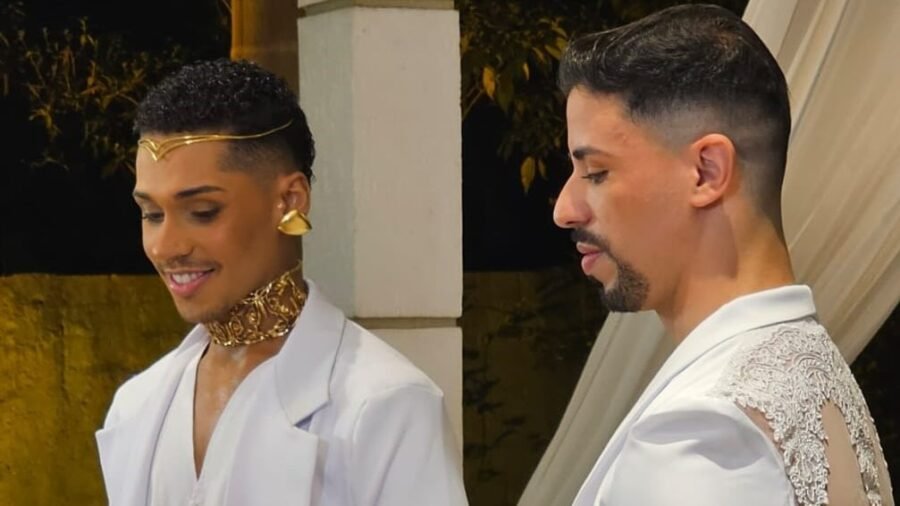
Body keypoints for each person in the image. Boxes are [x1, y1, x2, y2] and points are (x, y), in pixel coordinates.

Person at [553, 5, 893, 505]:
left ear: (707, 172)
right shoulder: (810, 364)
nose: (564, 209)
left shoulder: (702, 431)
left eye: (596, 172)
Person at [95, 58, 468, 506]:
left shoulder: (386, 405)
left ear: (290, 200)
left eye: (202, 212)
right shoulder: (138, 405)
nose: (165, 246)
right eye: (152, 214)